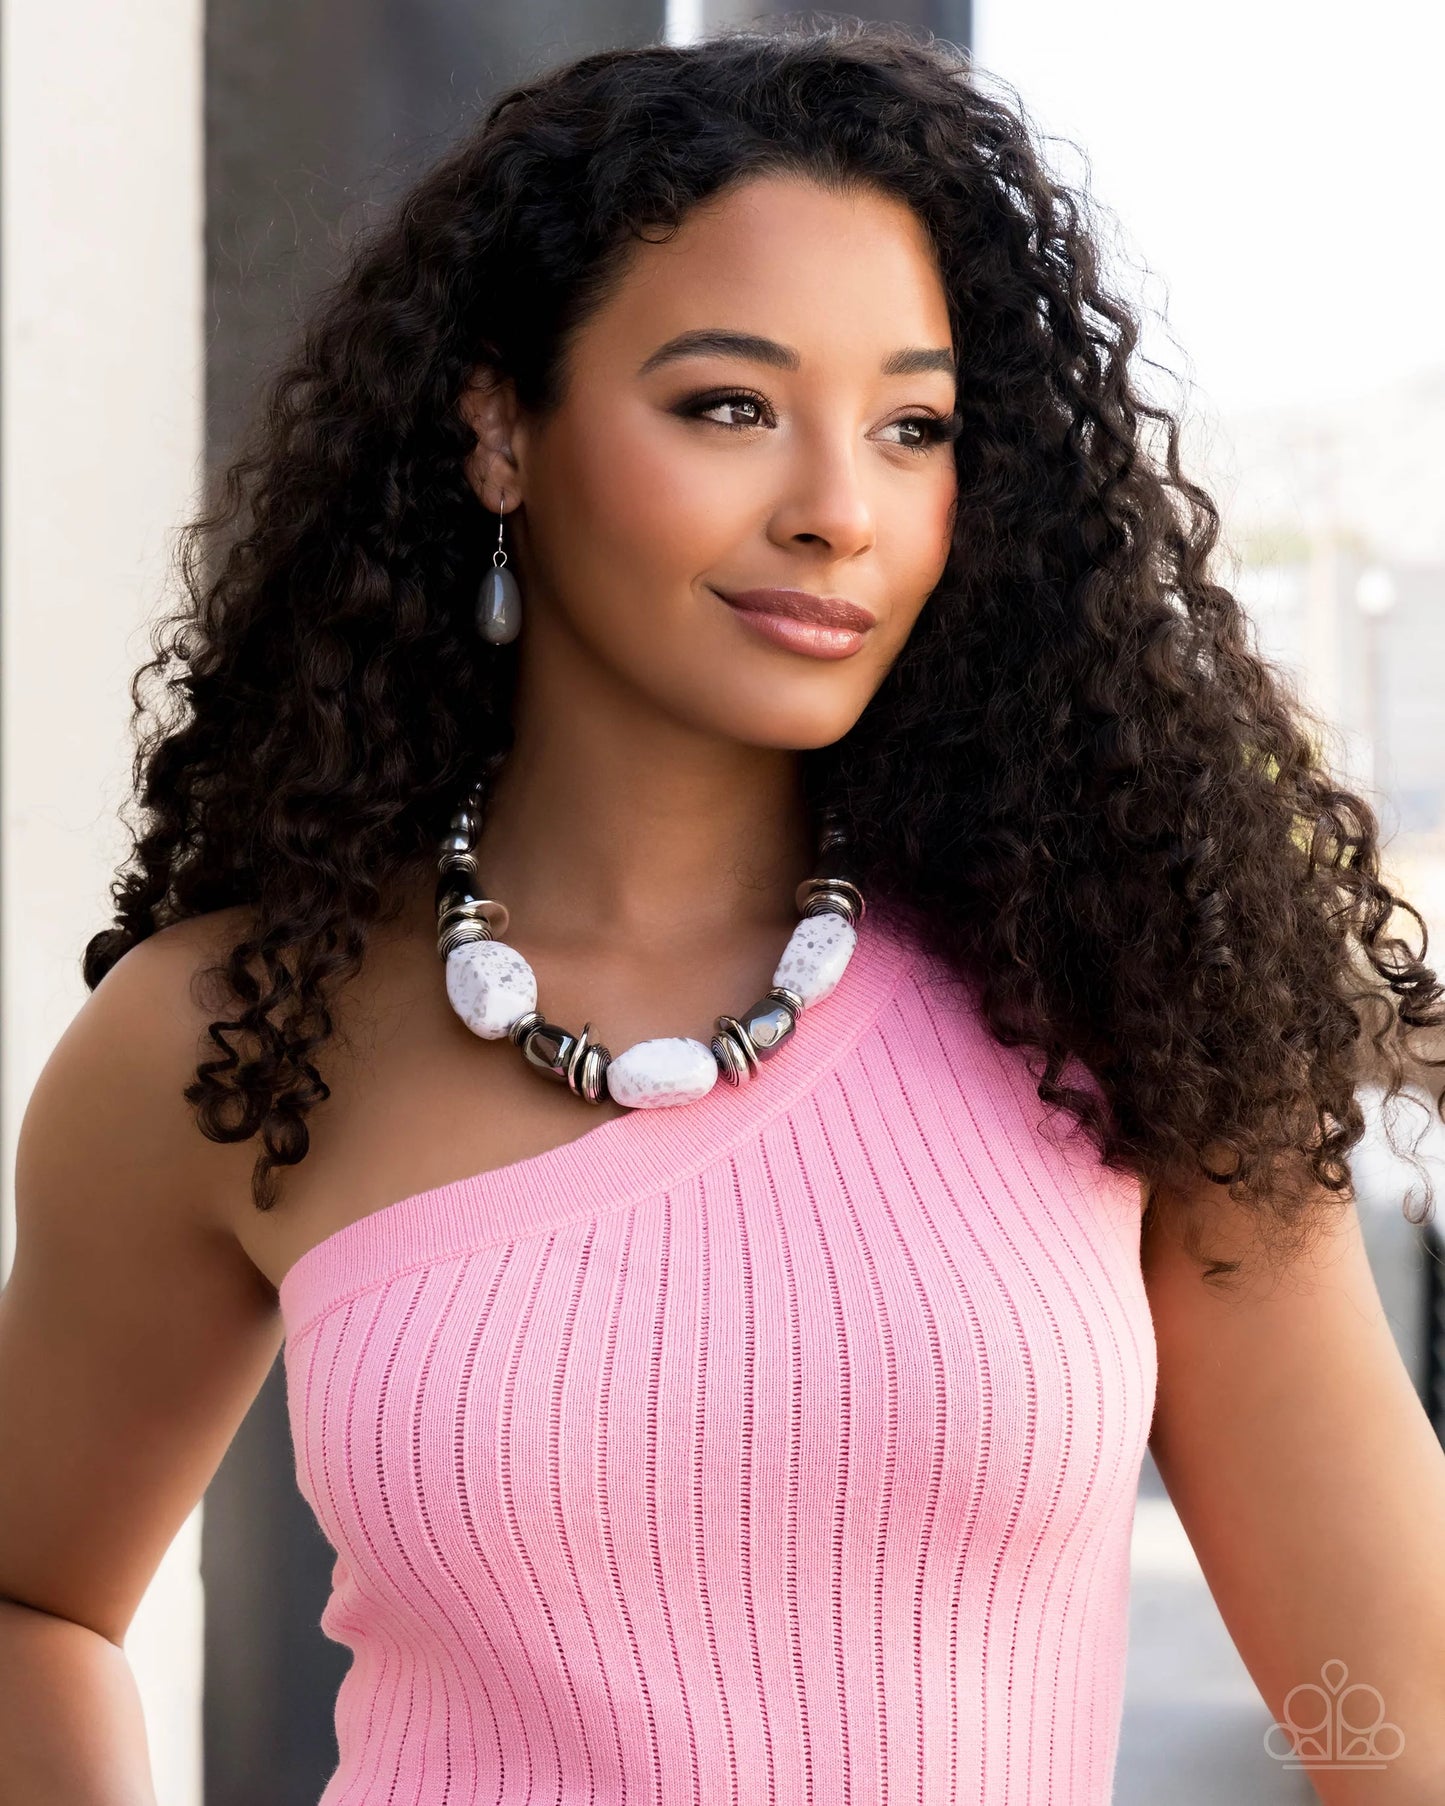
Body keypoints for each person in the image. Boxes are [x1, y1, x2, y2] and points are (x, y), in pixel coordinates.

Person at [3, 18, 1444, 1805]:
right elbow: (33, 1604)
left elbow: (1397, 1717)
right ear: (497, 431)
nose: (839, 509)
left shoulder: (1125, 999)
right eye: (728, 406)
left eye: (912, 426)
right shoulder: (228, 1034)